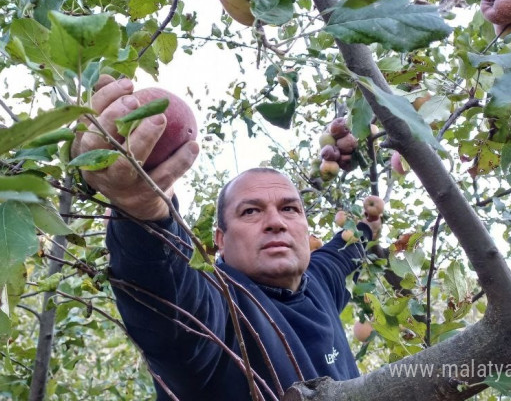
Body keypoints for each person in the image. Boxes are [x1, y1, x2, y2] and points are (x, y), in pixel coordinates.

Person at [72, 76, 378, 400]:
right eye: (250, 212)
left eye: (289, 209)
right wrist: (142, 210)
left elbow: (344, 248)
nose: (276, 222)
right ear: (220, 239)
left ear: (305, 226)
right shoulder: (221, 303)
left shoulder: (317, 280)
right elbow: (171, 301)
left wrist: (369, 226)